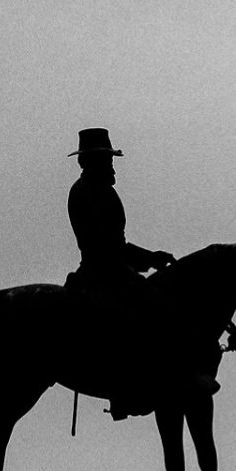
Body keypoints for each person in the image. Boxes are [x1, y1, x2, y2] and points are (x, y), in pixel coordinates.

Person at [64, 128, 176, 418]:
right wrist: (146, 258)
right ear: (91, 162)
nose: (112, 165)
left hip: (111, 267)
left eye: (110, 158)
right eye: (107, 159)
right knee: (145, 311)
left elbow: (118, 244)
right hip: (102, 273)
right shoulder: (88, 192)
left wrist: (150, 257)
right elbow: (107, 245)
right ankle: (125, 392)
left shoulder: (101, 190)